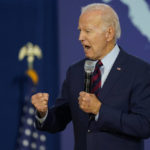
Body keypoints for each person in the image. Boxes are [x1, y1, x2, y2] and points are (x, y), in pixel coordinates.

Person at [31, 3, 150, 150]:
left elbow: (144, 125)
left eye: (87, 31)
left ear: (109, 33)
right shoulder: (75, 71)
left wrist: (100, 110)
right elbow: (59, 119)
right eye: (80, 31)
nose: (80, 37)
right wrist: (43, 113)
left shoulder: (139, 70)